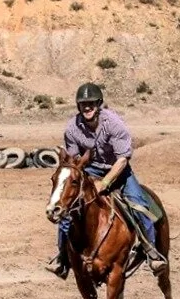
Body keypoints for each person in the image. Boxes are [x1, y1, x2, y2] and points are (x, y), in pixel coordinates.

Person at [45, 82, 166, 278]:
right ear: (78, 106)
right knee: (68, 209)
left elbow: (123, 159)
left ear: (98, 104)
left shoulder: (114, 124)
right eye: (83, 104)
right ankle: (62, 258)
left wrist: (105, 182)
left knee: (139, 205)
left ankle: (152, 253)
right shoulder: (72, 128)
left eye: (91, 103)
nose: (87, 107)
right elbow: (75, 161)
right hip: (90, 170)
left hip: (118, 170)